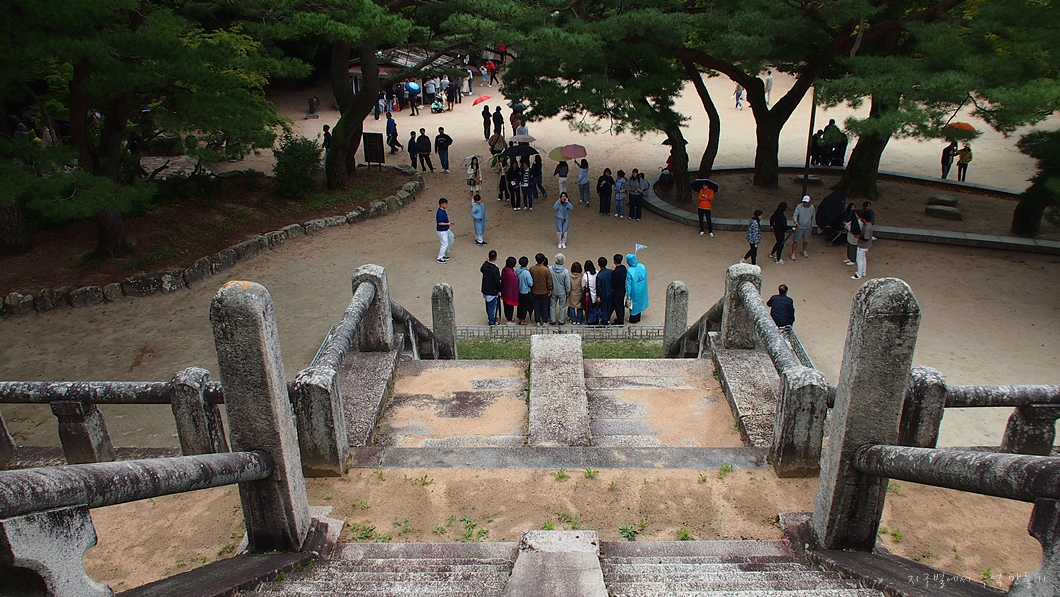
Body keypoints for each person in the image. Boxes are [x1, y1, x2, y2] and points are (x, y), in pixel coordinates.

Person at [529, 253, 552, 327]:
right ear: (543, 260)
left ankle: (537, 321)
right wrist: (550, 288)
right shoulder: (546, 270)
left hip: (535, 291)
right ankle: (545, 321)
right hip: (544, 291)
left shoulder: (532, 269)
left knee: (536, 306)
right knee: (544, 306)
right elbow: (549, 281)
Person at [625, 253, 648, 324]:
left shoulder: (629, 271)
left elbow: (628, 284)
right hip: (642, 288)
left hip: (634, 291)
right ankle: (638, 316)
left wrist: (628, 294)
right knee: (640, 302)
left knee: (634, 305)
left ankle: (633, 319)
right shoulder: (642, 266)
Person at [480, 250, 502, 326]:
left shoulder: (486, 266)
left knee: (488, 305)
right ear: (496, 258)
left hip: (485, 289)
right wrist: (500, 289)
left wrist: (486, 261)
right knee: (492, 307)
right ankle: (492, 321)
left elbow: (481, 269)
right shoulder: (495, 269)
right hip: (492, 290)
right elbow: (497, 281)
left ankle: (491, 318)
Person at [790, 195, 815, 260]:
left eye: (806, 202)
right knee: (796, 241)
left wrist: (812, 225)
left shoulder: (812, 207)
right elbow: (795, 215)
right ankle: (793, 253)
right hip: (799, 226)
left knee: (806, 240)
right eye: (804, 202)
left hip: (808, 227)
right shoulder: (799, 206)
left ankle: (804, 251)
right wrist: (795, 221)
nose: (805, 203)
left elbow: (813, 216)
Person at [549, 254, 571, 325]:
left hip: (553, 290)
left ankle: (552, 320)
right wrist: (568, 291)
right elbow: (567, 283)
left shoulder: (550, 269)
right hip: (562, 291)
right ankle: (561, 320)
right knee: (562, 306)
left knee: (552, 305)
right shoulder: (565, 271)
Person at [852, 210, 873, 280]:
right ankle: (863, 272)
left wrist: (858, 237)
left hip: (862, 246)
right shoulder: (869, 224)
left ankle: (859, 274)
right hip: (866, 246)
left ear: (865, 219)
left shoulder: (867, 227)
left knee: (859, 260)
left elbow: (866, 238)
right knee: (863, 258)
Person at [500, 257, 519, 325]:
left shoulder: (504, 269)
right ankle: (509, 320)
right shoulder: (510, 273)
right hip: (510, 292)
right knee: (510, 306)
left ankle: (508, 318)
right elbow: (515, 282)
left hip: (505, 291)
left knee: (506, 305)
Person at [516, 256, 534, 325]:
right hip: (525, 291)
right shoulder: (526, 273)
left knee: (520, 305)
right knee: (524, 306)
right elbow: (530, 283)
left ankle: (519, 318)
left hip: (519, 290)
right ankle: (523, 320)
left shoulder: (517, 271)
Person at [610, 254, 627, 325]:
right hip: (622, 289)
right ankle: (621, 318)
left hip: (617, 291)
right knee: (620, 304)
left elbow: (613, 283)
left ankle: (620, 320)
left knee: (618, 306)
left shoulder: (615, 272)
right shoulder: (623, 268)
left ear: (614, 261)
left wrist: (613, 272)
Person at [842, 203, 860, 267]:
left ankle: (853, 260)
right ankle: (849, 258)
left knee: (852, 249)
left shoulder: (859, 222)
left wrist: (846, 225)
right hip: (850, 237)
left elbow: (852, 228)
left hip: (854, 238)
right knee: (849, 248)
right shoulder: (853, 220)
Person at [595, 257, 612, 326]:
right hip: (610, 292)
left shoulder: (599, 276)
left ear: (598, 264)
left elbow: (598, 287)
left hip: (603, 294)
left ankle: (605, 321)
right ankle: (608, 319)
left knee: (604, 308)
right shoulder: (610, 272)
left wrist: (598, 296)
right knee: (609, 307)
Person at [435, 198, 452, 263]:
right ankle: (439, 257)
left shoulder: (442, 211)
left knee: (444, 243)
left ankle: (443, 255)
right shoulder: (440, 212)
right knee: (444, 244)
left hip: (444, 229)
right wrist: (447, 224)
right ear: (441, 204)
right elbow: (439, 223)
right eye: (445, 204)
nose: (446, 205)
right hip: (442, 231)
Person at [581, 260, 598, 325]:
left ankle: (590, 321)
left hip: (589, 295)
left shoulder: (586, 275)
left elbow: (583, 286)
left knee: (588, 308)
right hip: (597, 293)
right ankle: (596, 320)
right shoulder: (597, 272)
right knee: (596, 307)